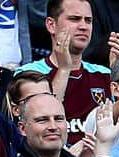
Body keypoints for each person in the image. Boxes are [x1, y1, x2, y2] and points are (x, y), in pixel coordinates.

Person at [13, 0, 110, 143]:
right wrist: (64, 70)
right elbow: (44, 116)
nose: (83, 26)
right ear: (51, 25)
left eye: (88, 20)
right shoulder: (28, 73)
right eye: (74, 19)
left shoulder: (103, 74)